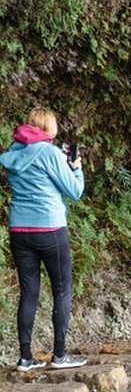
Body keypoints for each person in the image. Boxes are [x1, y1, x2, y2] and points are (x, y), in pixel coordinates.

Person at [0, 107, 87, 372]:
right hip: (49, 228)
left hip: (19, 230)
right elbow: (74, 192)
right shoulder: (50, 153)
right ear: (49, 128)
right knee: (61, 289)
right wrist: (75, 168)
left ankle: (25, 358)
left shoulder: (12, 153)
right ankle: (59, 355)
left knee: (29, 292)